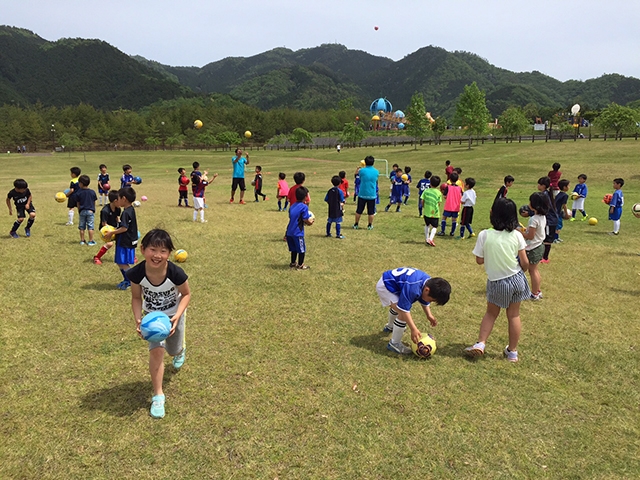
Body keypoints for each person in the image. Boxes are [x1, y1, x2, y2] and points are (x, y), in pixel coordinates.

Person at [128, 229, 191, 419]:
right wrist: (139, 319)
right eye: (153, 249)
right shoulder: (137, 273)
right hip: (152, 319)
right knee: (156, 352)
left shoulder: (175, 272)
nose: (157, 255)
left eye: (163, 251)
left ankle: (180, 350)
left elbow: (186, 295)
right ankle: (158, 396)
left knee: (173, 351)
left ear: (169, 254)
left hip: (173, 316)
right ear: (143, 249)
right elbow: (136, 298)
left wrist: (177, 317)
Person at [465, 197, 530, 362]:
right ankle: (512, 352)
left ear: (492, 213)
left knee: (491, 313)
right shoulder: (517, 235)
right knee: (514, 315)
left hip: (497, 282)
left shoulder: (484, 235)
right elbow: (525, 263)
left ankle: (480, 343)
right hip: (517, 279)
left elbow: (479, 260)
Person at [378, 267, 451, 354]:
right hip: (386, 286)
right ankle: (394, 344)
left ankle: (390, 327)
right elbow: (404, 310)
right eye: (431, 300)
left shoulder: (427, 283)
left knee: (399, 308)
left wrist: (429, 315)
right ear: (427, 290)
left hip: (394, 284)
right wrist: (414, 329)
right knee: (402, 314)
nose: (429, 302)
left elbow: (424, 298)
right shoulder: (413, 287)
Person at [104, 187, 138, 290]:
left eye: (118, 198)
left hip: (124, 241)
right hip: (130, 240)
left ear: (124, 198)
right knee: (122, 262)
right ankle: (128, 280)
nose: (117, 200)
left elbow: (124, 228)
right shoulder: (130, 209)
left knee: (122, 262)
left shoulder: (125, 213)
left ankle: (130, 281)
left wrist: (112, 232)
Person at [519, 193, 547, 301]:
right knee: (534, 270)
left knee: (532, 270)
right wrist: (526, 230)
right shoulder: (542, 216)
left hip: (532, 248)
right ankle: (537, 291)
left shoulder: (533, 219)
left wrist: (520, 232)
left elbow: (530, 236)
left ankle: (534, 293)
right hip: (539, 245)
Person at [286, 187, 314, 270]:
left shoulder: (292, 206)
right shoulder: (304, 207)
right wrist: (310, 222)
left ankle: (293, 263)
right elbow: (305, 219)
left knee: (294, 249)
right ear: (305, 197)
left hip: (289, 231)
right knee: (301, 249)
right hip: (297, 232)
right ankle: (301, 265)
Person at [94, 190, 121, 265]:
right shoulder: (105, 211)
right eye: (120, 200)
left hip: (114, 228)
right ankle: (97, 257)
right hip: (105, 229)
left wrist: (120, 226)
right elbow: (104, 224)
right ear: (115, 201)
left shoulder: (118, 209)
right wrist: (112, 231)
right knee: (110, 244)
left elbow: (117, 218)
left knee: (123, 240)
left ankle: (123, 257)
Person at [353, 156, 379, 230]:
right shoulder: (376, 171)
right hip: (372, 194)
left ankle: (356, 224)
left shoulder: (362, 171)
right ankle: (370, 225)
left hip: (362, 193)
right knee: (371, 212)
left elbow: (360, 177)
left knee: (359, 210)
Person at [537, 177, 558, 264]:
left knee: (547, 239)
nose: (538, 186)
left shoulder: (544, 195)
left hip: (550, 221)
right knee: (544, 238)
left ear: (543, 186)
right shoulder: (545, 194)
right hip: (548, 220)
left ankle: (545, 258)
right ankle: (542, 256)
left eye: (539, 184)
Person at [75, 175, 98, 246]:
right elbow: (94, 202)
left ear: (81, 183)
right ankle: (90, 241)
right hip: (90, 211)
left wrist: (79, 210)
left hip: (82, 211)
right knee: (90, 226)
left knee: (82, 227)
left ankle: (82, 240)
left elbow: (78, 203)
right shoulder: (92, 192)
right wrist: (93, 209)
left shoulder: (78, 192)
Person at [438, 172, 463, 236]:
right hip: (456, 207)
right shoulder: (459, 188)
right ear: (457, 180)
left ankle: (443, 231)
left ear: (450, 179)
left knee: (444, 218)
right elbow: (462, 196)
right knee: (454, 220)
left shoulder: (448, 187)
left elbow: (445, 196)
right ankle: (452, 232)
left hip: (448, 206)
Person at [421, 176, 443, 246]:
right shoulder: (438, 192)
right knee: (435, 226)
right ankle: (430, 238)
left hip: (426, 212)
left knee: (427, 225)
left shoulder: (426, 191)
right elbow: (439, 203)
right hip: (435, 213)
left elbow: (422, 200)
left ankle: (427, 238)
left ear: (430, 183)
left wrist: (424, 206)